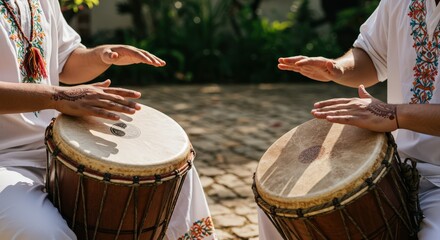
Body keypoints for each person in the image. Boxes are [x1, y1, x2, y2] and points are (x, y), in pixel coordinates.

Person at [0, 0, 215, 239]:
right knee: (42, 233)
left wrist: (102, 56)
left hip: (53, 144)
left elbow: (66, 61)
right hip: (4, 159)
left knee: (170, 169)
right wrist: (59, 97)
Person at [258, 0, 440, 239]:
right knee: (283, 209)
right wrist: (338, 68)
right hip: (396, 166)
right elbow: (371, 56)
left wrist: (394, 114)